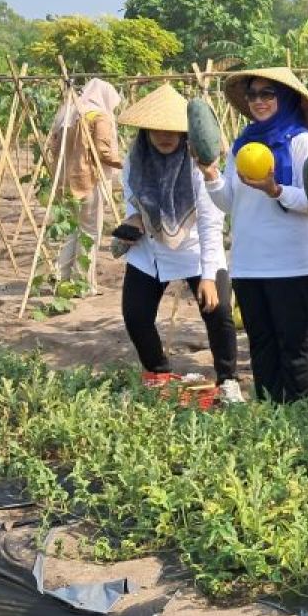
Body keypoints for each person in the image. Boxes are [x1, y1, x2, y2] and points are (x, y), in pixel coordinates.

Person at [200, 67, 308, 403]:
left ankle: (298, 420)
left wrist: (276, 189)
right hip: (248, 263)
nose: (258, 100)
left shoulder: (304, 143)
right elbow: (229, 202)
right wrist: (210, 175)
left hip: (294, 264)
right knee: (261, 346)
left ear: (285, 98)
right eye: (253, 95)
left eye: (267, 93)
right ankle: (272, 420)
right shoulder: (242, 145)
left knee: (294, 346)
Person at [114, 84, 240, 401]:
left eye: (172, 129)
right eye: (157, 129)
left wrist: (209, 277)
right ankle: (159, 372)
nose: (165, 136)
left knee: (219, 311)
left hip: (196, 247)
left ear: (185, 132)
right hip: (151, 249)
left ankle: (228, 380)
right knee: (136, 314)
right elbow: (134, 203)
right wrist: (133, 220)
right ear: (145, 131)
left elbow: (212, 222)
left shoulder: (197, 165)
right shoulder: (136, 160)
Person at [46, 78, 123, 293]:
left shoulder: (67, 113)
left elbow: (52, 146)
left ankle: (61, 277)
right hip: (89, 180)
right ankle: (83, 284)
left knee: (72, 230)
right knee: (89, 232)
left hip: (65, 181)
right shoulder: (98, 117)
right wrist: (124, 164)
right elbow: (104, 152)